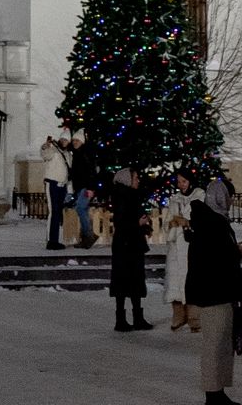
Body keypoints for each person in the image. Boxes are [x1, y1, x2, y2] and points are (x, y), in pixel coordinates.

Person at [184, 176, 242, 405]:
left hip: (219, 291)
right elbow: (211, 260)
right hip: (214, 293)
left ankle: (218, 393)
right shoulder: (212, 224)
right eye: (229, 196)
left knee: (221, 345)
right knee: (214, 346)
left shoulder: (213, 221)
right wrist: (234, 253)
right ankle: (213, 396)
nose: (231, 201)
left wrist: (234, 251)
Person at [108, 166, 153, 332]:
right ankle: (122, 319)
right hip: (125, 245)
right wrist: (138, 223)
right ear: (127, 180)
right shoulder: (123, 197)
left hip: (132, 244)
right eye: (135, 178)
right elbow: (121, 223)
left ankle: (136, 317)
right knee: (124, 280)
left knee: (135, 280)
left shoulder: (131, 196)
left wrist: (144, 226)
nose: (138, 180)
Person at [162, 169, 195, 333]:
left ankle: (194, 317)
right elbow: (167, 221)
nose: (181, 185)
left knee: (192, 281)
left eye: (184, 181)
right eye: (179, 181)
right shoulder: (174, 199)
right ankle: (179, 315)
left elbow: (203, 220)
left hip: (191, 245)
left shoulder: (198, 197)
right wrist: (171, 223)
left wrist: (188, 222)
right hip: (176, 247)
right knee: (175, 281)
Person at [66, 134, 100, 248]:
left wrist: (90, 188)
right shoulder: (78, 153)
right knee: (82, 209)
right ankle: (86, 236)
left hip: (85, 187)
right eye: (74, 140)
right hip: (81, 187)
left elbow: (91, 171)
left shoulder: (85, 153)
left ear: (82, 141)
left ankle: (89, 236)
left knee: (80, 208)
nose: (75, 142)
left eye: (77, 140)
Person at [40, 133, 73, 250]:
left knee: (58, 213)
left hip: (62, 186)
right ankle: (51, 241)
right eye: (63, 139)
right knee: (53, 212)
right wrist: (45, 146)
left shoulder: (68, 154)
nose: (64, 142)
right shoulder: (53, 150)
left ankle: (55, 239)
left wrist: (69, 189)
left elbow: (68, 172)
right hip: (52, 183)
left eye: (66, 140)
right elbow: (45, 155)